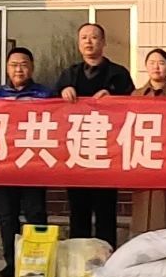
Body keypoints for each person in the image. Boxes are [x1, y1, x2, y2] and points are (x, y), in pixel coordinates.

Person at [54, 23, 135, 248]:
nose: (89, 42)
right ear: (79, 44)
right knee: (78, 210)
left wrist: (114, 98)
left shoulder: (119, 74)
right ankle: (78, 258)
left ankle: (106, 257)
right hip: (76, 152)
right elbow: (50, 107)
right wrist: (61, 92)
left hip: (106, 152)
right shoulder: (69, 74)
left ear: (103, 42)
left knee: (105, 211)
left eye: (94, 37)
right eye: (84, 38)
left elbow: (133, 105)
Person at [0, 46, 53, 277]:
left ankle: (40, 262)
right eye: (14, 65)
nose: (19, 69)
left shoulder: (46, 95)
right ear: (7, 68)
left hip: (33, 164)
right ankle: (11, 262)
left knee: (36, 214)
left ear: (32, 68)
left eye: (24, 65)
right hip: (4, 166)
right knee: (7, 217)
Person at [131, 48, 166, 236]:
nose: (156, 67)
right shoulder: (137, 95)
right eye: (152, 63)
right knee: (142, 205)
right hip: (143, 157)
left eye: (161, 63)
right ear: (146, 67)